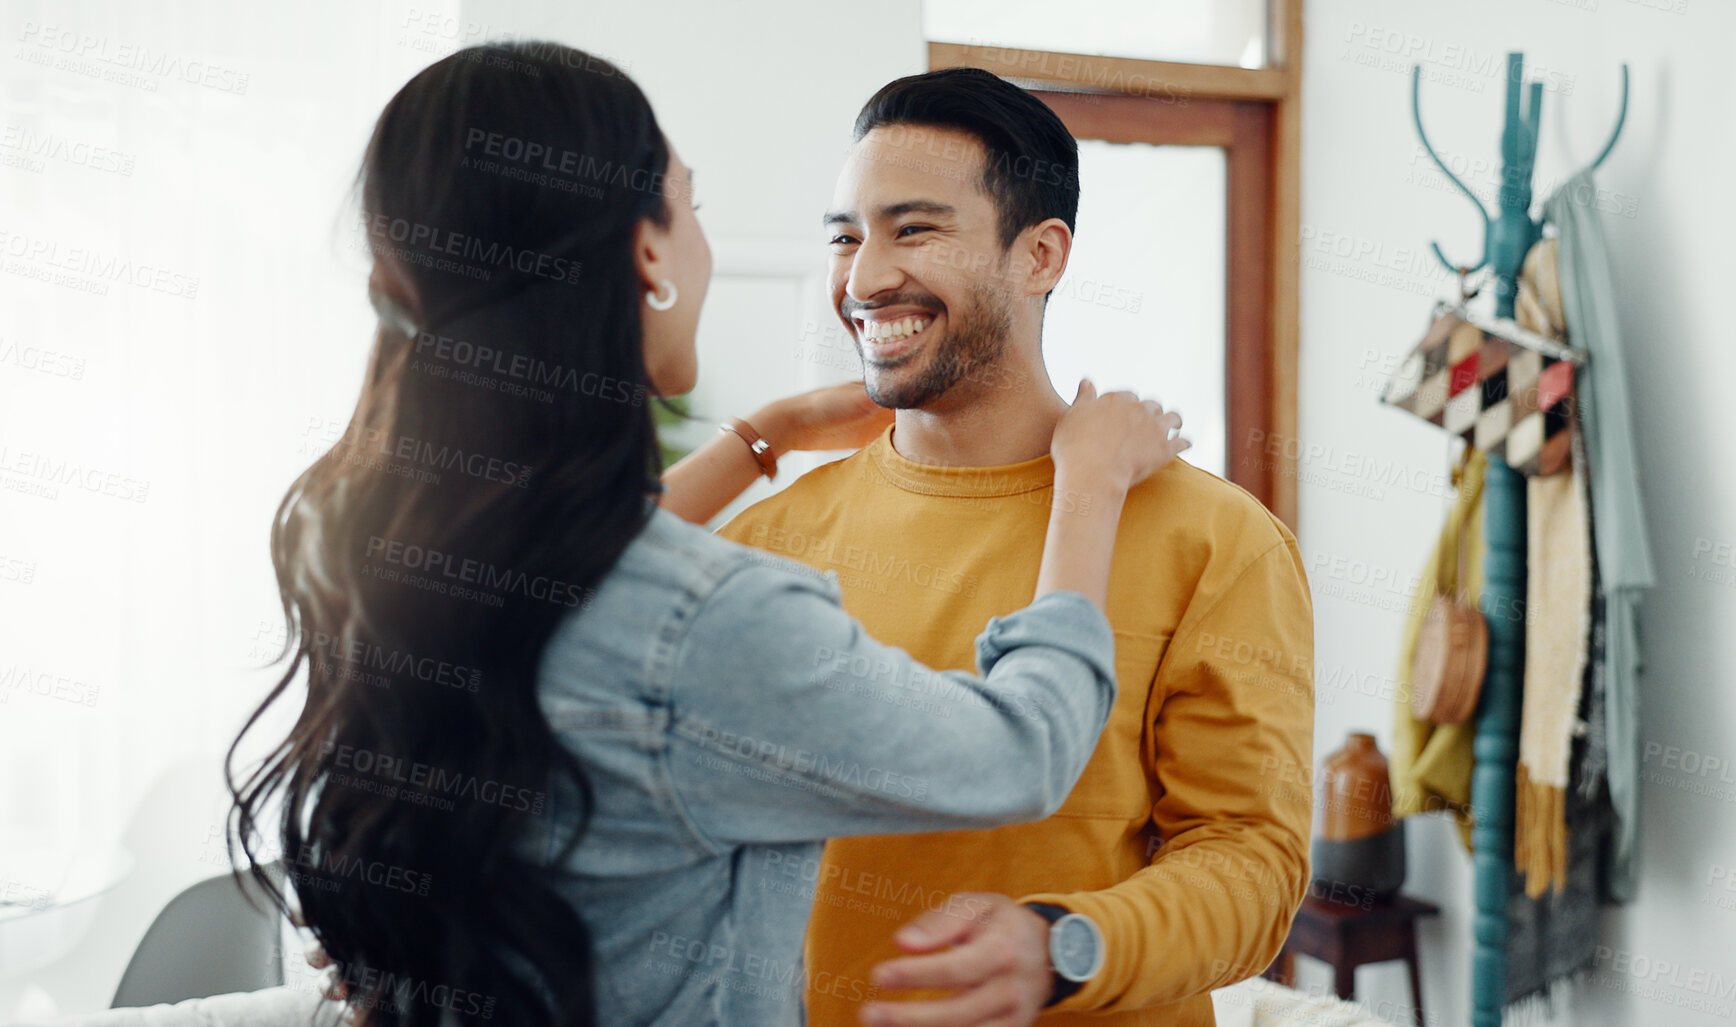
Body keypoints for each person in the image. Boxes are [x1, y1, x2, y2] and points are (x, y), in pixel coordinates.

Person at [226, 42, 1189, 1027]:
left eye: (913, 228)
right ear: (648, 252)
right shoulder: (722, 609)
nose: (862, 273)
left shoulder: (368, 546)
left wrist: (765, 436)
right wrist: (1091, 481)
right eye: (689, 202)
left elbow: (570, 573)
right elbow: (1019, 751)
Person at [679, 68, 1318, 1026]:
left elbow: (1249, 863)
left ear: (1040, 256)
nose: (862, 279)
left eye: (915, 228)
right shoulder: (770, 540)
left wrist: (1067, 941)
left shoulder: (1215, 540)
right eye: (845, 237)